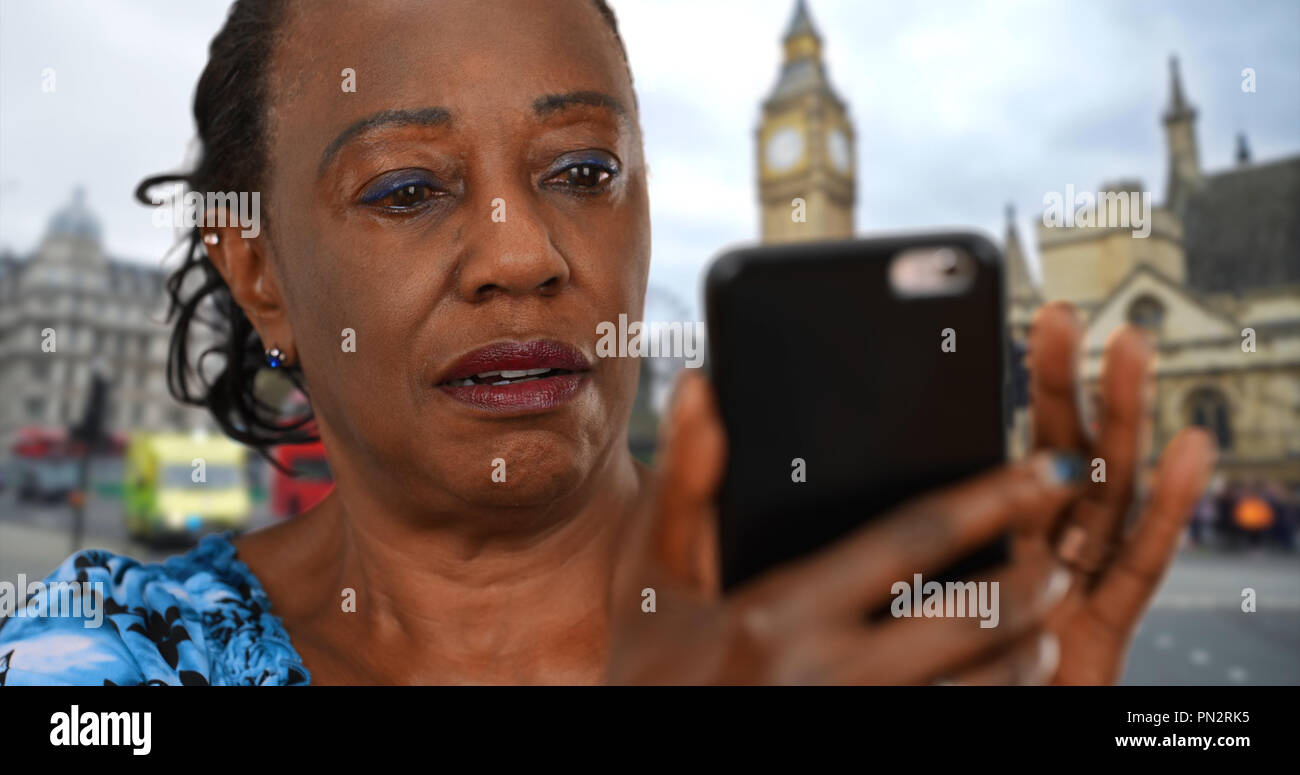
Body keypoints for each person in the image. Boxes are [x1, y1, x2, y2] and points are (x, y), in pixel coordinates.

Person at [0, 0, 1215, 686]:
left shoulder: (873, 633)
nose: (522, 253)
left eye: (583, 169)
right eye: (408, 188)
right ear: (261, 275)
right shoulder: (95, 657)